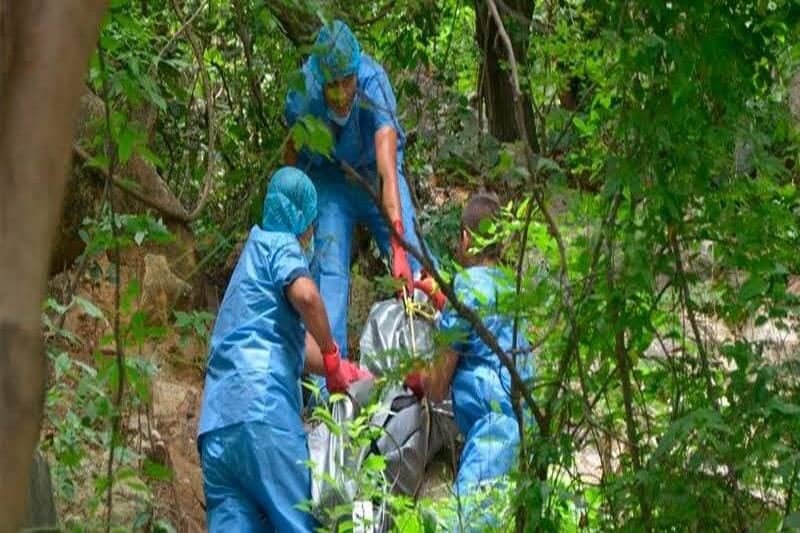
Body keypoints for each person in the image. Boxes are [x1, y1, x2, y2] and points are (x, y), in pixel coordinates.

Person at [197, 167, 372, 532]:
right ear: (301, 220)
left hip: (217, 428)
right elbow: (307, 296)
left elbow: (288, 344)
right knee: (301, 523)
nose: (311, 233)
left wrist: (340, 370)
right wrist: (332, 353)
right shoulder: (279, 243)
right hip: (264, 414)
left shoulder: (248, 270)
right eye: (311, 224)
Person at [284, 20, 422, 371]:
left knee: (414, 263)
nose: (343, 93)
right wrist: (294, 226)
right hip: (329, 181)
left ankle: (431, 364)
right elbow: (292, 162)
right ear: (321, 81)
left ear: (357, 73)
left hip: (374, 176)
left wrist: (398, 245)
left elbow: (389, 170)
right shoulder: (304, 96)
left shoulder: (373, 84)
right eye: (334, 85)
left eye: (348, 81)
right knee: (328, 277)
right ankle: (329, 390)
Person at [407, 194, 534, 526]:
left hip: (493, 433)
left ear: (465, 237)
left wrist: (415, 375)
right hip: (528, 430)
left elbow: (436, 387)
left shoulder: (465, 288)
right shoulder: (512, 288)